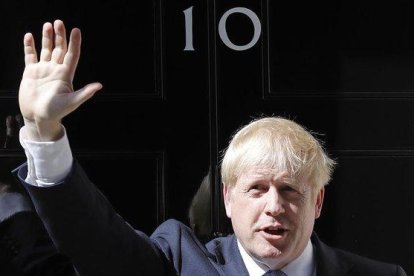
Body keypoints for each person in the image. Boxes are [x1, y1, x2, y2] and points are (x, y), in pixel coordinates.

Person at [14, 19, 407, 275]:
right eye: (256, 188)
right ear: (228, 199)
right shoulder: (179, 261)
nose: (274, 206)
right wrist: (45, 131)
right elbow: (93, 240)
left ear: (318, 202)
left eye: (290, 189)